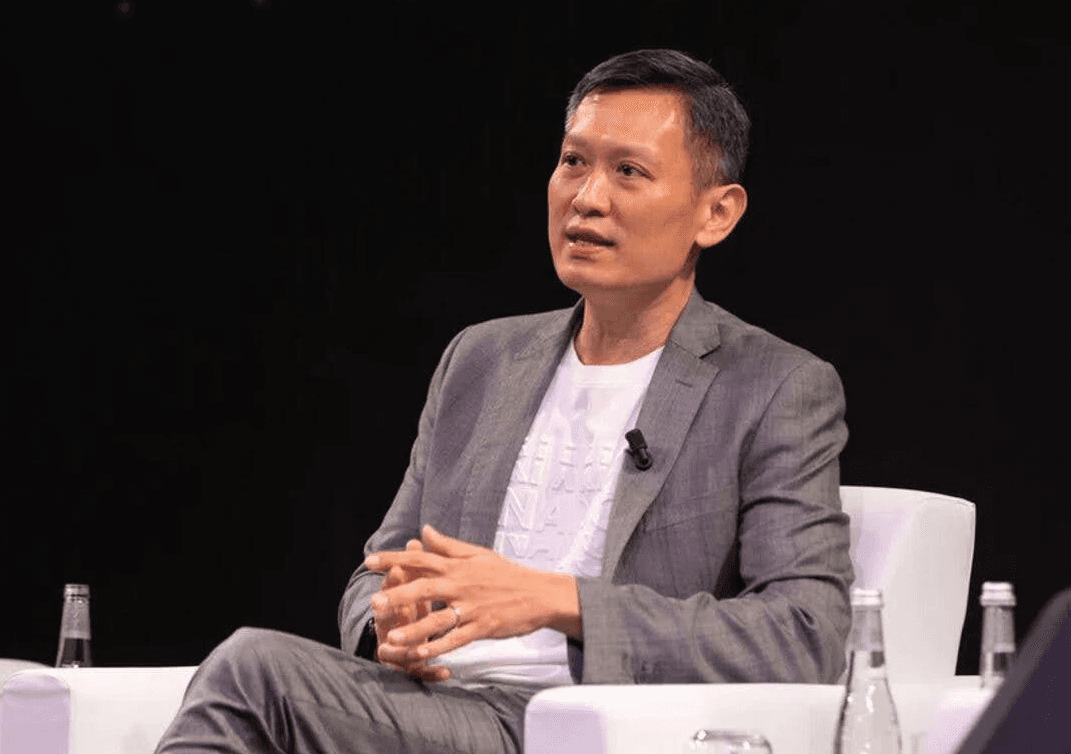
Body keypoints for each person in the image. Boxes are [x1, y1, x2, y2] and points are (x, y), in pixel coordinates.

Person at [156, 48, 853, 754]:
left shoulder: (772, 386)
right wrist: (387, 622)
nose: (587, 198)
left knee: (252, 671)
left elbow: (805, 635)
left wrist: (559, 601)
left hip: (581, 724)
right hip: (436, 702)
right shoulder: (482, 359)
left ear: (716, 213)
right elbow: (383, 564)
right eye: (573, 161)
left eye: (628, 172)